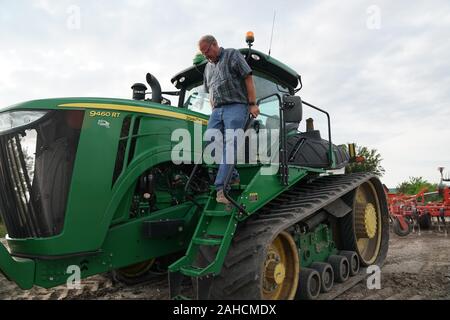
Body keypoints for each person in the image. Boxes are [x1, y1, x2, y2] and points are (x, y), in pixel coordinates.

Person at [198, 35, 260, 204]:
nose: (206, 56)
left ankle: (221, 188)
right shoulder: (208, 68)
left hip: (236, 106)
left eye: (207, 51)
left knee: (230, 144)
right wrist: (214, 108)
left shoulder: (232, 55)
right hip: (218, 110)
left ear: (215, 44)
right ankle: (233, 176)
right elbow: (210, 89)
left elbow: (248, 77)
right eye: (203, 54)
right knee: (210, 142)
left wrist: (252, 104)